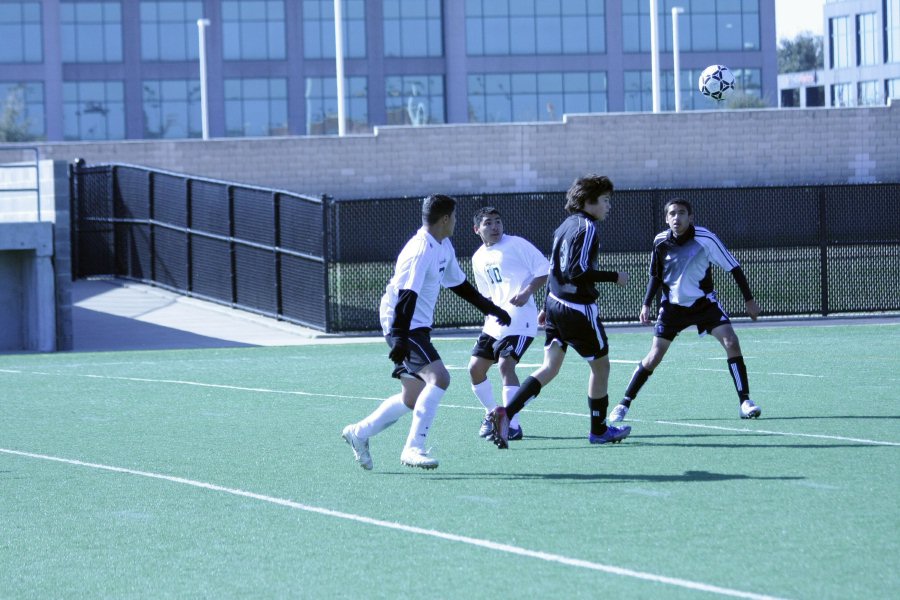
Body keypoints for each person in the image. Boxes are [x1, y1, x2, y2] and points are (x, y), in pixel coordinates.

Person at [341, 194, 511, 470]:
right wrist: (397, 336)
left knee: (412, 397)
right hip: (404, 326)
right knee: (440, 378)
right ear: (445, 219)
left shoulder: (442, 245)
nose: (455, 221)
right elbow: (406, 296)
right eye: (454, 217)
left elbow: (459, 284)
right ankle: (413, 448)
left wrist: (492, 308)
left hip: (414, 326)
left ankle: (358, 433)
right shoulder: (420, 249)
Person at [486, 174, 632, 449]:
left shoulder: (564, 226)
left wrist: (545, 307)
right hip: (577, 309)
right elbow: (576, 271)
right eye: (605, 200)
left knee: (550, 368)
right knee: (601, 366)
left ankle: (506, 412)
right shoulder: (586, 228)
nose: (608, 205)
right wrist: (615, 276)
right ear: (588, 202)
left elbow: (555, 269)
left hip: (555, 304)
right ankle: (599, 430)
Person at [607, 197, 762, 425]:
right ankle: (624, 403)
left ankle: (745, 402)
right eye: (672, 213)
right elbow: (656, 276)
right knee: (654, 357)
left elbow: (734, 267)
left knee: (731, 341)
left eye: (681, 213)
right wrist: (646, 303)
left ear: (691, 217)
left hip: (703, 304)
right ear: (666, 218)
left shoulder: (706, 238)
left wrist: (749, 300)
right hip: (672, 307)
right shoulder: (660, 241)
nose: (676, 217)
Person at [468, 207, 550, 442]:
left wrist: (527, 292)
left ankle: (512, 424)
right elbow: (486, 293)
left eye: (497, 221)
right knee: (475, 369)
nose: (494, 227)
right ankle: (493, 413)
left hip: (521, 321)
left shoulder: (517, 244)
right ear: (477, 229)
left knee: (506, 365)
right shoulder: (477, 258)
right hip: (495, 323)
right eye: (488, 223)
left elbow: (545, 270)